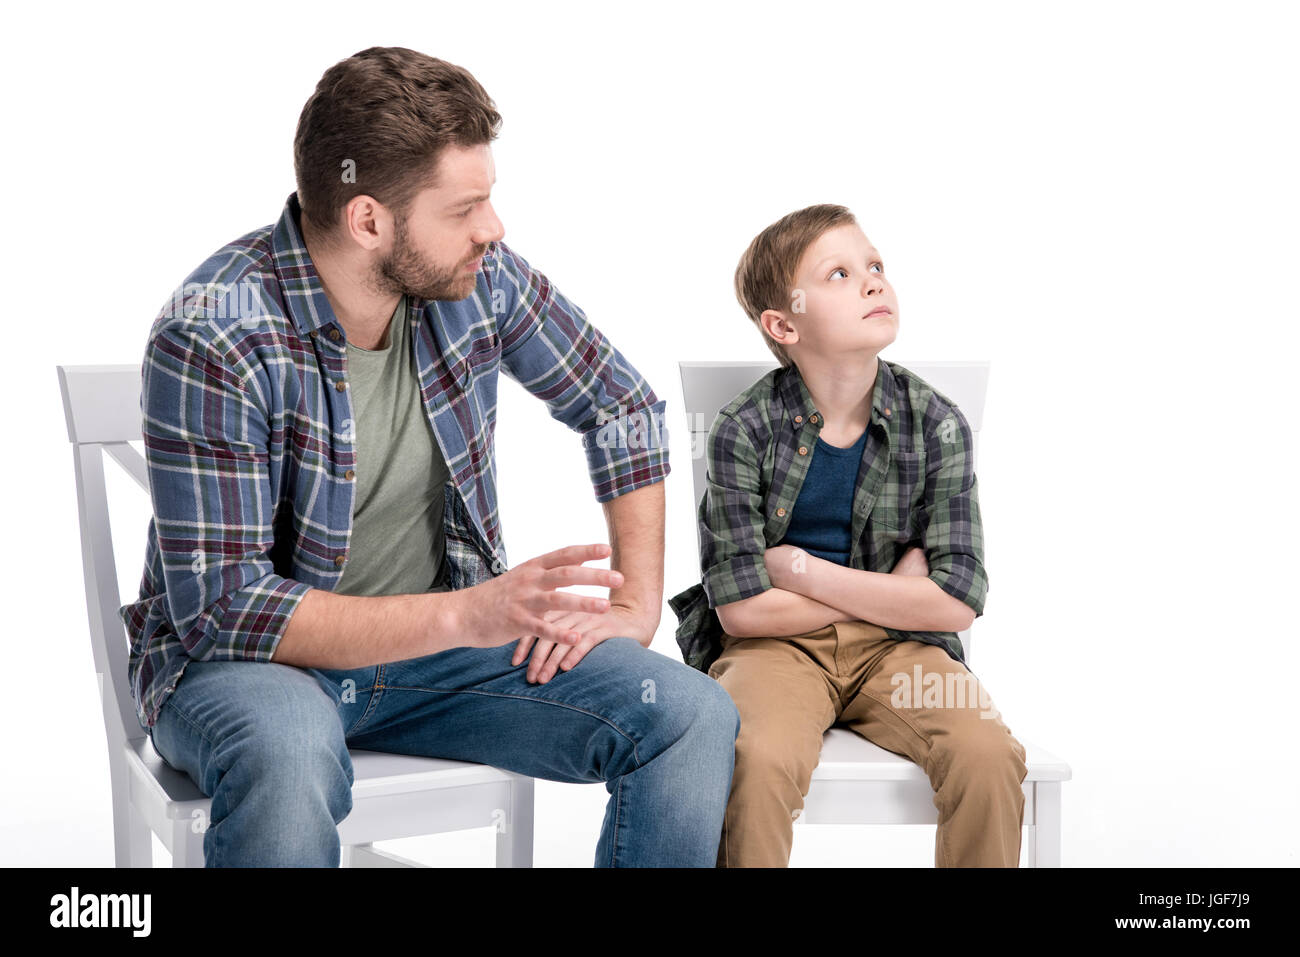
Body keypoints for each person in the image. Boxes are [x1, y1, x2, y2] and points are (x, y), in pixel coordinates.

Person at [121, 46, 738, 868]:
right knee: (289, 748)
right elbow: (225, 609)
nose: (494, 227)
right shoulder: (216, 329)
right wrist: (467, 613)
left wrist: (637, 603)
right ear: (369, 219)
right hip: (251, 669)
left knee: (690, 714)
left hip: (434, 663)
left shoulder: (478, 280)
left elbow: (621, 405)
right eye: (465, 207)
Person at [668, 204, 1027, 867]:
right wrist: (894, 589)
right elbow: (743, 611)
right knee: (754, 757)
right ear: (785, 323)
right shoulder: (741, 428)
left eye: (876, 266)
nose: (872, 282)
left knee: (986, 753)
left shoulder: (937, 422)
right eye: (839, 273)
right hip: (775, 649)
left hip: (899, 649)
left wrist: (800, 569)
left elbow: (956, 599)